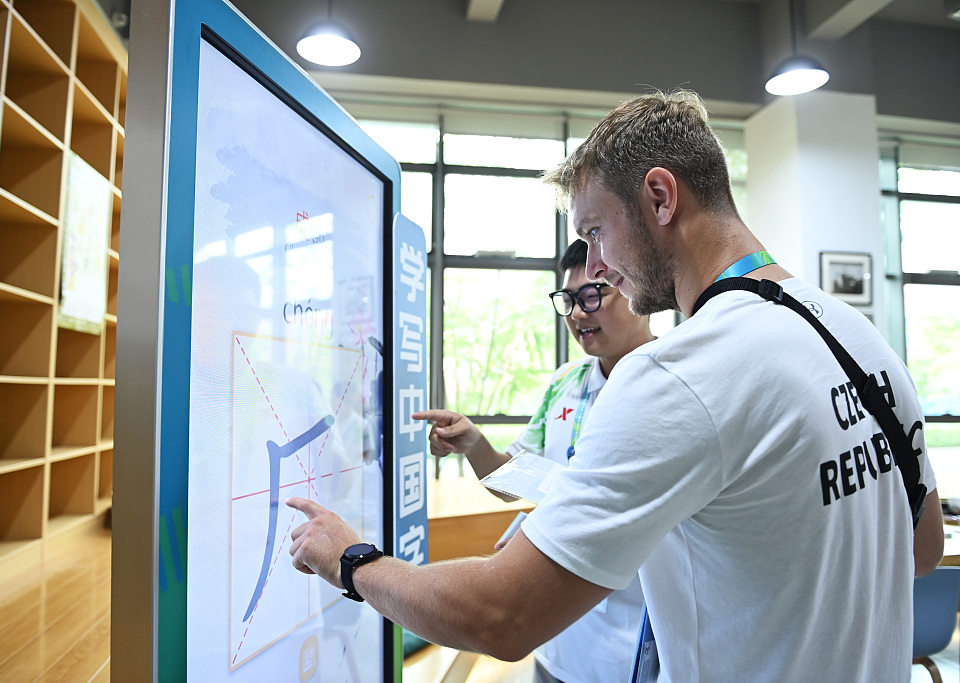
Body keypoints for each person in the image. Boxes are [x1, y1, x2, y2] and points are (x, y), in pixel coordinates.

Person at [287, 90, 944, 683]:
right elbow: (922, 548)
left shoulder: (678, 376)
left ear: (660, 197)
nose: (596, 267)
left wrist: (351, 559)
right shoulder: (859, 338)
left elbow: (503, 615)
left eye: (595, 232)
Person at [414, 238, 654, 683]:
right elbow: (512, 481)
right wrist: (474, 445)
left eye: (592, 295)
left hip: (632, 642)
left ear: (633, 286)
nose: (579, 313)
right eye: (569, 300)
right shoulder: (566, 382)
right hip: (555, 641)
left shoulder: (667, 384)